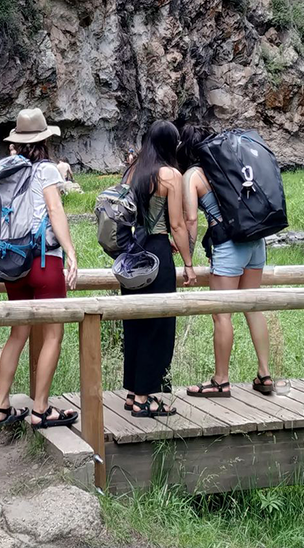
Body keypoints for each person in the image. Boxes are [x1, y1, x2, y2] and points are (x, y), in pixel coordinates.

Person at [0, 109, 79, 431]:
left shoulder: (7, 170)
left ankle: (2, 405)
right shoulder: (47, 171)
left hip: (12, 262)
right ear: (45, 139)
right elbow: (55, 211)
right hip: (44, 260)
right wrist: (70, 252)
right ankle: (41, 408)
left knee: (18, 333)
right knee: (53, 332)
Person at [179, 123, 274, 398]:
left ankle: (221, 381)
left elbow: (191, 220)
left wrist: (189, 259)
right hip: (256, 241)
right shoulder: (231, 162)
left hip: (228, 245)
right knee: (252, 306)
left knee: (222, 315)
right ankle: (264, 374)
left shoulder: (193, 175)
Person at [120, 120, 195, 418]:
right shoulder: (170, 175)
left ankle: (132, 392)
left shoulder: (132, 171)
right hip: (157, 252)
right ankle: (143, 398)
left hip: (130, 254)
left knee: (135, 324)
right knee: (158, 325)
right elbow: (176, 224)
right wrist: (188, 263)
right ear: (170, 143)